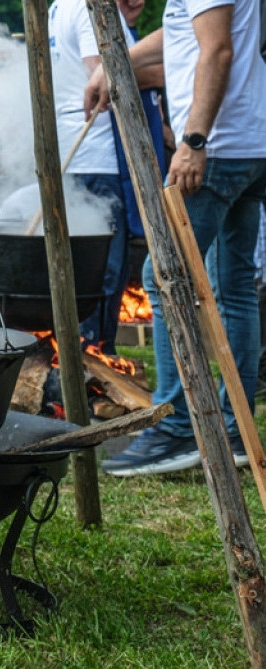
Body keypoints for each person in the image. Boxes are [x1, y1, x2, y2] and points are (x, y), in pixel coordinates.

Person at [91, 0, 266, 476]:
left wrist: (193, 141)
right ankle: (233, 431)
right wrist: (120, 61)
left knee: (163, 275)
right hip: (251, 142)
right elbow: (189, 35)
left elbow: (218, 51)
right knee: (233, 287)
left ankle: (176, 428)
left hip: (222, 146)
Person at [48, 0, 134, 354]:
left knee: (82, 259)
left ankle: (80, 347)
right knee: (105, 264)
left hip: (76, 148)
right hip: (98, 150)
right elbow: (102, 74)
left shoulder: (56, 6)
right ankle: (96, 353)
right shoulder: (86, 6)